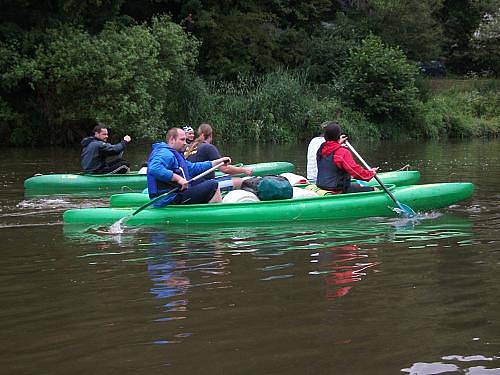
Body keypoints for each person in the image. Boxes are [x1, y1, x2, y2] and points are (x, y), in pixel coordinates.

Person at [147, 127, 230, 207]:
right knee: (213, 185)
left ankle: (211, 208)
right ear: (172, 140)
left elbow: (193, 168)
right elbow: (154, 168)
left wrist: (217, 162)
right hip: (167, 200)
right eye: (182, 139)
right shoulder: (165, 153)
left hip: (175, 196)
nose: (185, 143)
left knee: (202, 181)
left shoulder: (175, 154)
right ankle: (216, 212)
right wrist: (178, 179)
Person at [184, 123, 252, 190]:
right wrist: (244, 170)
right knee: (239, 181)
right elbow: (225, 169)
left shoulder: (190, 146)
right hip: (202, 184)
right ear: (210, 135)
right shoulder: (209, 147)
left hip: (191, 183)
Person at [316, 122, 378, 194]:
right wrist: (370, 173)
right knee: (375, 189)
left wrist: (338, 142)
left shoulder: (321, 149)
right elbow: (355, 171)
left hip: (321, 186)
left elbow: (331, 150)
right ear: (338, 136)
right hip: (337, 189)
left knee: (356, 185)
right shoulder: (342, 152)